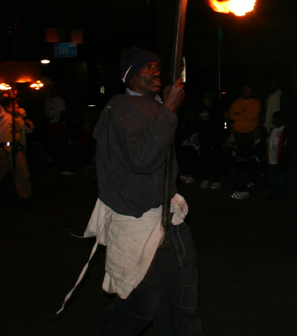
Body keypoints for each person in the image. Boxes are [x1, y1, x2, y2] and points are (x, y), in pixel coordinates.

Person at [58, 47, 202, 335]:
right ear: (130, 76)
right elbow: (141, 159)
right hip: (137, 223)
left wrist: (165, 109)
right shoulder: (122, 107)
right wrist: (168, 109)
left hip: (170, 221)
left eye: (157, 66)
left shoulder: (156, 107)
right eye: (147, 67)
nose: (156, 71)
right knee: (138, 309)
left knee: (183, 307)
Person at [229, 84, 262, 158]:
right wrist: (247, 114)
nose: (246, 92)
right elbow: (232, 116)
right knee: (240, 154)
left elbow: (253, 116)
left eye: (248, 90)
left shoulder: (256, 103)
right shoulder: (236, 102)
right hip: (238, 133)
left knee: (250, 154)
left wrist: (239, 114)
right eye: (244, 90)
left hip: (251, 133)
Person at [267, 111, 291, 199]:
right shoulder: (272, 130)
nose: (273, 120)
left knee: (282, 178)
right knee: (273, 178)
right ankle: (274, 193)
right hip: (272, 159)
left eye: (275, 118)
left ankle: (282, 194)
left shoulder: (285, 131)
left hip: (281, 159)